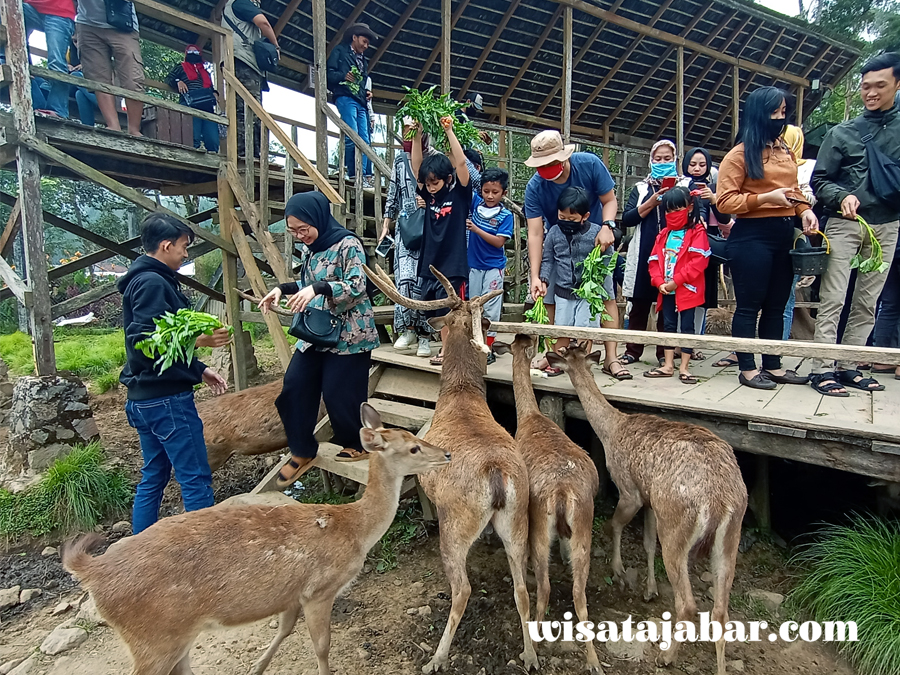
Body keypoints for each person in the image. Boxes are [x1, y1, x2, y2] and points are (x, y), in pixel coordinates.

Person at [118, 214, 230, 534]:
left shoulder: (146, 278)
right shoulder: (152, 283)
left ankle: (140, 552)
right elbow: (144, 342)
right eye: (183, 247)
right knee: (195, 477)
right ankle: (203, 556)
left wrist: (198, 368)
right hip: (166, 402)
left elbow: (158, 346)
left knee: (154, 475)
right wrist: (201, 340)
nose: (185, 254)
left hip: (145, 398)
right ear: (166, 245)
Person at [258, 192, 379, 485]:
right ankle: (301, 449)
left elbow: (358, 285)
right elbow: (306, 282)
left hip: (351, 334)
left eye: (304, 229)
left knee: (340, 392)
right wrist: (282, 289)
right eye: (294, 232)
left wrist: (320, 288)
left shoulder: (348, 243)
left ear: (318, 219)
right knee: (294, 387)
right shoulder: (312, 248)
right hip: (316, 331)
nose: (301, 236)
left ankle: (358, 443)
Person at [809, 52, 900, 396]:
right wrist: (839, 196)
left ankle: (849, 365)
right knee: (833, 296)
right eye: (865, 86)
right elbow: (820, 180)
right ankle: (823, 368)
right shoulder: (842, 132)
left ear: (897, 85)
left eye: (880, 85)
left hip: (888, 223)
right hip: (847, 223)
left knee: (867, 300)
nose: (871, 93)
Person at [717, 86, 819, 390]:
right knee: (749, 305)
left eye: (784, 112)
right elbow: (724, 202)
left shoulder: (786, 151)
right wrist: (765, 198)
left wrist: (803, 211)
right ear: (759, 115)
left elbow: (794, 192)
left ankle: (773, 365)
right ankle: (747, 369)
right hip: (752, 237)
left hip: (784, 234)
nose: (780, 118)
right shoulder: (739, 154)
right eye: (775, 112)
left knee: (777, 304)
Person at [523, 130, 627, 379]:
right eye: (541, 165)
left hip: (595, 242)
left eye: (550, 163)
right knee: (548, 296)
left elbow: (609, 200)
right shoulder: (535, 186)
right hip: (559, 244)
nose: (546, 169)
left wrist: (607, 226)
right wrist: (536, 276)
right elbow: (536, 232)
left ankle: (611, 357)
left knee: (605, 296)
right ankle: (555, 355)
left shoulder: (589, 164)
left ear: (563, 157)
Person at [410, 116, 472, 367]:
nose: (430, 187)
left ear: (447, 178)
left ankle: (449, 352)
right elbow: (416, 166)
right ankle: (447, 349)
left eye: (435, 182)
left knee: (452, 310)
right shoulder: (429, 195)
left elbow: (461, 163)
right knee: (435, 311)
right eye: (427, 183)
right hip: (430, 263)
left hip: (453, 264)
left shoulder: (460, 194)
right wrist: (416, 135)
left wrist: (449, 131)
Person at [620, 140, 679, 368]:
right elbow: (628, 218)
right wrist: (652, 202)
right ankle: (633, 350)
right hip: (645, 249)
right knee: (639, 301)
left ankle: (665, 352)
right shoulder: (641, 189)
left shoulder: (683, 186)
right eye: (658, 158)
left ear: (674, 160)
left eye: (667, 158)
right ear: (650, 160)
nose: (662, 162)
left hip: (672, 252)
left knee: (667, 303)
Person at [644, 187, 710, 384]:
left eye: (677, 209)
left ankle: (685, 367)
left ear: (689, 208)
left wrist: (676, 282)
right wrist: (659, 282)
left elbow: (699, 262)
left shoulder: (697, 231)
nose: (673, 215)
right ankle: (668, 365)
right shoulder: (663, 234)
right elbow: (654, 261)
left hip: (687, 290)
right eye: (669, 210)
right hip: (666, 289)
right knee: (669, 325)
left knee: (687, 327)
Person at [381, 118, 435, 358]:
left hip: (430, 229)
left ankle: (425, 335)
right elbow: (393, 193)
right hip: (405, 229)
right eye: (406, 129)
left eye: (413, 129)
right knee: (404, 281)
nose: (409, 133)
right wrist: (386, 225)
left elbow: (421, 173)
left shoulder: (435, 158)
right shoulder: (399, 160)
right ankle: (408, 329)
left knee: (423, 282)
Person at [539, 186, 613, 357]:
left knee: (584, 330)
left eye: (571, 219)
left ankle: (581, 362)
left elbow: (608, 258)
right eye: (562, 217)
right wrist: (543, 280)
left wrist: (597, 278)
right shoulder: (554, 233)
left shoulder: (596, 232)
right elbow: (548, 259)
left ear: (585, 216)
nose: (566, 221)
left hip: (589, 293)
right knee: (562, 328)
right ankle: (556, 360)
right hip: (563, 291)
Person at [75, 0, 143, 135]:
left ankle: (134, 130)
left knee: (132, 78)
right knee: (98, 77)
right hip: (88, 23)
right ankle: (113, 126)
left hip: (122, 22)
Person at [467, 167, 514, 365]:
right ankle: (474, 343)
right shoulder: (475, 204)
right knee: (473, 306)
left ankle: (489, 347)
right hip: (473, 265)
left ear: (504, 193)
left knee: (491, 309)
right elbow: (464, 172)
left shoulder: (506, 216)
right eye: (486, 191)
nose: (490, 195)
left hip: (493, 267)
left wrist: (476, 229)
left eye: (495, 192)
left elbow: (498, 242)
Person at [222, 0, 279, 156]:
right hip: (243, 61)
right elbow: (263, 23)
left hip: (241, 61)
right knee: (247, 110)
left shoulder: (231, 7)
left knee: (246, 109)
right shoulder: (240, 2)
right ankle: (246, 154)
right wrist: (275, 45)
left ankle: (251, 153)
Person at [327, 23, 376, 186]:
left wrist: (366, 93)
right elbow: (328, 75)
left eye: (368, 43)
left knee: (365, 139)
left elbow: (361, 82)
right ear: (354, 37)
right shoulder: (339, 51)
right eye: (364, 41)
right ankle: (355, 174)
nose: (366, 45)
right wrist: (343, 76)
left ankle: (366, 175)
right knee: (352, 135)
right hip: (345, 97)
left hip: (360, 101)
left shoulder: (364, 60)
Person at [781, 124, 816, 341]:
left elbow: (812, 202)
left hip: (794, 237)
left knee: (786, 299)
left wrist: (802, 193)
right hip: (769, 233)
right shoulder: (768, 165)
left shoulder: (807, 169)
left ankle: (778, 350)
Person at [22, 0, 75, 118]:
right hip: (29, 7)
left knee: (56, 63)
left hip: (60, 11)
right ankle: (7, 58)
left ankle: (58, 110)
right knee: (7, 9)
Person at [166, 45, 220, 153]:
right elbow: (168, 78)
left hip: (206, 106)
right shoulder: (181, 67)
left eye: (195, 52)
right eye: (190, 52)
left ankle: (212, 156)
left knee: (212, 138)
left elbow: (211, 87)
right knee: (192, 136)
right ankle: (192, 155)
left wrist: (215, 93)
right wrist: (178, 81)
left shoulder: (205, 72)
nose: (192, 54)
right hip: (189, 103)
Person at [67, 35, 100, 126]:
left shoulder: (92, 53)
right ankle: (99, 101)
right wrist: (68, 66)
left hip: (83, 87)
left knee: (80, 94)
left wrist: (85, 66)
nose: (77, 44)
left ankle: (88, 127)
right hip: (69, 86)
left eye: (79, 41)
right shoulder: (69, 52)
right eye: (74, 41)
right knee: (75, 75)